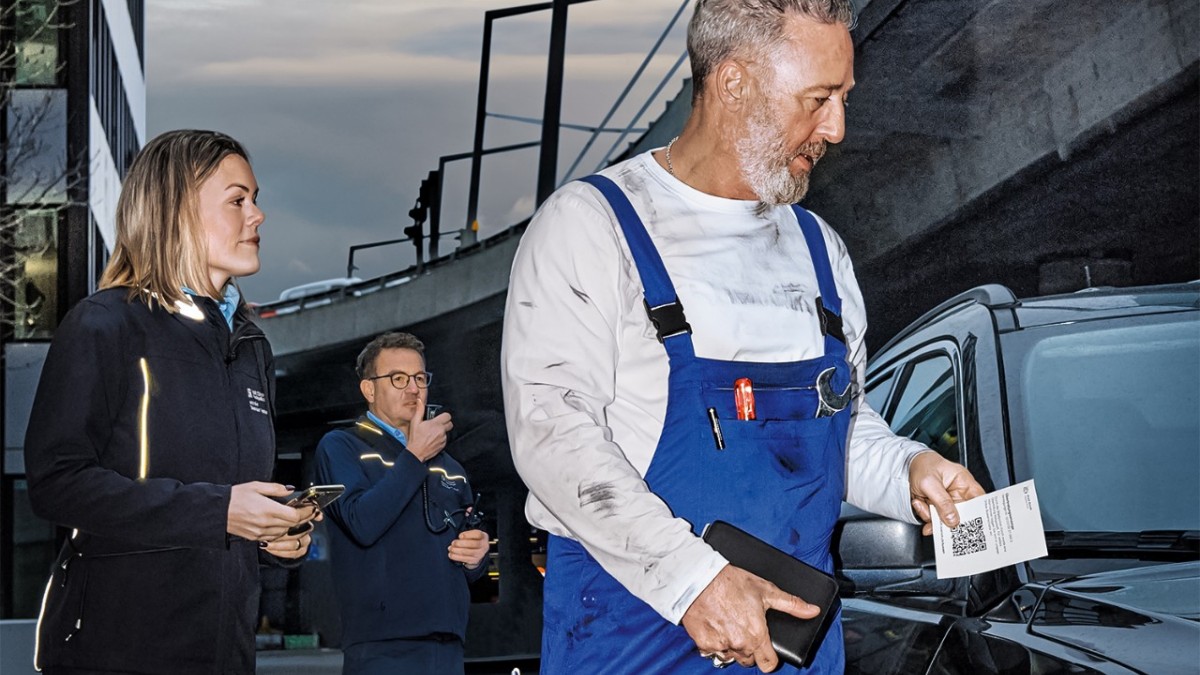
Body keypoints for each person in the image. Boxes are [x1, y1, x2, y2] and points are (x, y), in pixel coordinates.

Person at [501, 1, 986, 672]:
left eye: (842, 99)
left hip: (798, 647)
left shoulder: (822, 252)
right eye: (817, 99)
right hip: (631, 640)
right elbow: (553, 435)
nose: (837, 128)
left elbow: (840, 427)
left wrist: (908, 469)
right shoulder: (592, 227)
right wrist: (693, 579)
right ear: (733, 84)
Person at [24, 129, 319, 674]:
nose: (257, 215)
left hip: (225, 653)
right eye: (237, 200)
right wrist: (223, 511)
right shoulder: (105, 324)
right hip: (115, 653)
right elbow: (56, 482)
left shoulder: (252, 346)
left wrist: (271, 533)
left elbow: (223, 505)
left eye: (254, 200)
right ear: (177, 210)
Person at [314, 332, 490, 675]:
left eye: (419, 378)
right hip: (382, 644)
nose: (413, 388)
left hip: (448, 641)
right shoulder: (342, 447)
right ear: (369, 389)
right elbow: (361, 524)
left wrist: (477, 557)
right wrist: (414, 454)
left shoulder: (451, 466)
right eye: (398, 378)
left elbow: (469, 556)